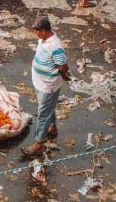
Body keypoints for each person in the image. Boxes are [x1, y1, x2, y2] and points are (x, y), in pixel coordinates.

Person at [21, 16, 70, 157]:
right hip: (40, 82)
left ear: (43, 31)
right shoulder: (44, 40)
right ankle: (52, 127)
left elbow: (64, 66)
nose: (35, 34)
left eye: (36, 31)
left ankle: (38, 144)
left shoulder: (56, 47)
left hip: (48, 85)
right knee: (48, 106)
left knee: (42, 114)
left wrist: (64, 74)